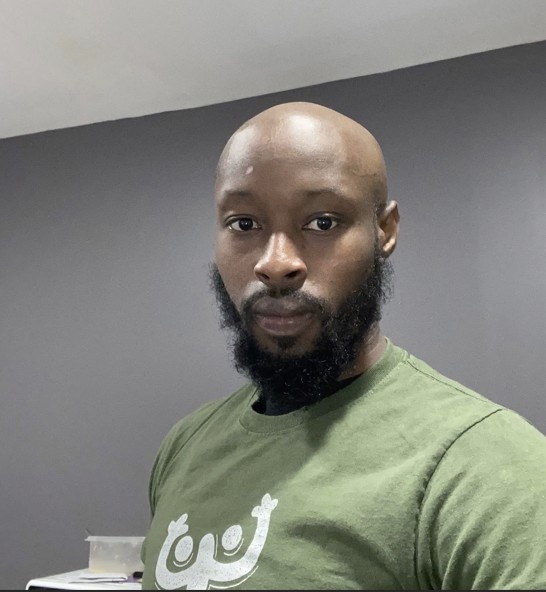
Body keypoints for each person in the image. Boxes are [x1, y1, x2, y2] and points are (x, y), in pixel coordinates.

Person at [141, 102, 546, 590]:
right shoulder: (185, 446)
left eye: (323, 222)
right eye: (244, 224)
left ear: (384, 231)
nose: (276, 264)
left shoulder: (483, 465)